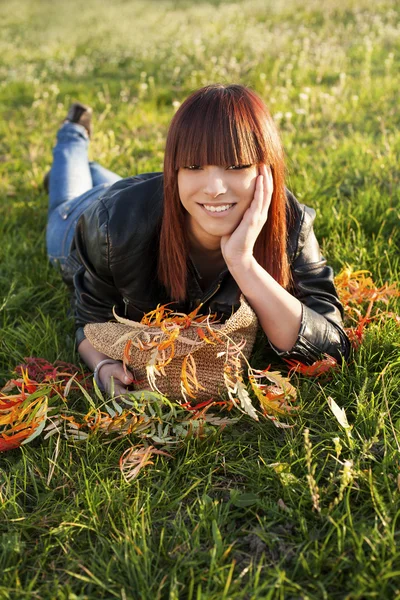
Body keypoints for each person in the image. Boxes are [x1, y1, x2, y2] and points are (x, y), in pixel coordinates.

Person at [46, 84, 350, 397]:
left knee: (114, 185)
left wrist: (243, 263)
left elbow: (329, 348)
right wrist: (103, 367)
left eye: (235, 166)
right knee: (65, 199)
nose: (214, 187)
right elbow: (88, 319)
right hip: (82, 216)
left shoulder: (289, 221)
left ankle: (94, 168)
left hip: (138, 194)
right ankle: (73, 134)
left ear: (265, 168)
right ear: (174, 171)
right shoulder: (112, 225)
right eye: (193, 166)